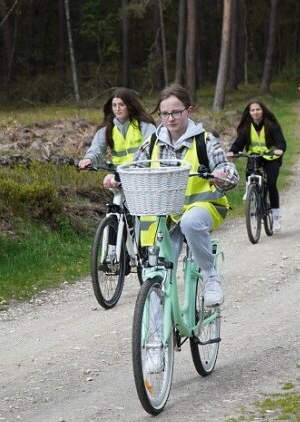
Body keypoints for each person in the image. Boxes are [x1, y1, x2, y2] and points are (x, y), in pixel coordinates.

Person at [132, 84, 238, 308]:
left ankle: (211, 277)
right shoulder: (152, 142)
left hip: (202, 208)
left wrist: (222, 175)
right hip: (167, 216)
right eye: (164, 113)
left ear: (189, 111)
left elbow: (230, 172)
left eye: (176, 112)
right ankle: (157, 340)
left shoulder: (205, 141)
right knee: (158, 275)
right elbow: (134, 168)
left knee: (190, 223)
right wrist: (117, 179)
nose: (170, 118)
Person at [78, 87, 156, 260]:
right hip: (118, 177)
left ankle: (149, 249)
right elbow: (96, 149)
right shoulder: (107, 128)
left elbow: (152, 149)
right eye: (114, 105)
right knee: (115, 209)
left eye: (121, 104)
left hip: (141, 177)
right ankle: (113, 252)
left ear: (130, 105)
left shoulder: (144, 126)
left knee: (144, 215)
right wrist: (89, 160)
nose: (118, 108)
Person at [227, 100, 287, 230]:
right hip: (255, 156)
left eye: (258, 109)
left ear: (263, 110)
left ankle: (276, 219)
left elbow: (281, 141)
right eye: (252, 110)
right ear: (249, 112)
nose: (255, 112)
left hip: (271, 157)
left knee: (271, 184)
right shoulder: (246, 126)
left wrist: (280, 149)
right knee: (250, 173)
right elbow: (239, 142)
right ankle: (251, 190)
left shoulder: (272, 124)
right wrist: (233, 151)